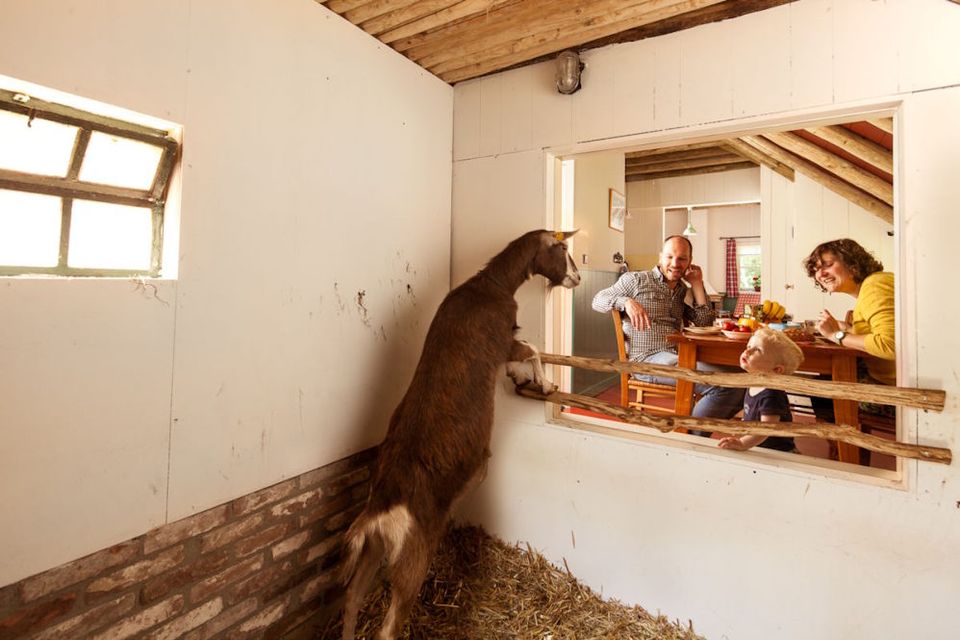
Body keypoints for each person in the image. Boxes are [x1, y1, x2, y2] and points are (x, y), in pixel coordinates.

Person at [592, 235, 745, 423]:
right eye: (670, 257)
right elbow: (597, 300)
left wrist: (697, 284)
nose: (675, 263)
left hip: (677, 355)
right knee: (726, 385)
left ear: (690, 262)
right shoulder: (636, 279)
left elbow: (704, 322)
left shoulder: (681, 290)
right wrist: (626, 302)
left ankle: (694, 429)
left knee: (742, 378)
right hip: (646, 361)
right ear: (660, 257)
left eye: (682, 258)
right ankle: (690, 433)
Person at [803, 238, 896, 387]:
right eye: (815, 270)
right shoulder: (869, 288)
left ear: (853, 264)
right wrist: (847, 328)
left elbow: (890, 345)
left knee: (822, 387)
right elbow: (878, 333)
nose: (820, 274)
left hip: (894, 388)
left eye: (827, 265)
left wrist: (836, 335)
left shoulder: (875, 286)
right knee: (824, 380)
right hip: (881, 378)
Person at [718, 328, 805, 452]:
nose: (747, 351)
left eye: (757, 350)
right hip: (759, 447)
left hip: (778, 453)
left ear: (776, 370)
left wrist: (743, 443)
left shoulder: (771, 394)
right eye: (748, 346)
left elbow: (767, 428)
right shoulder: (755, 383)